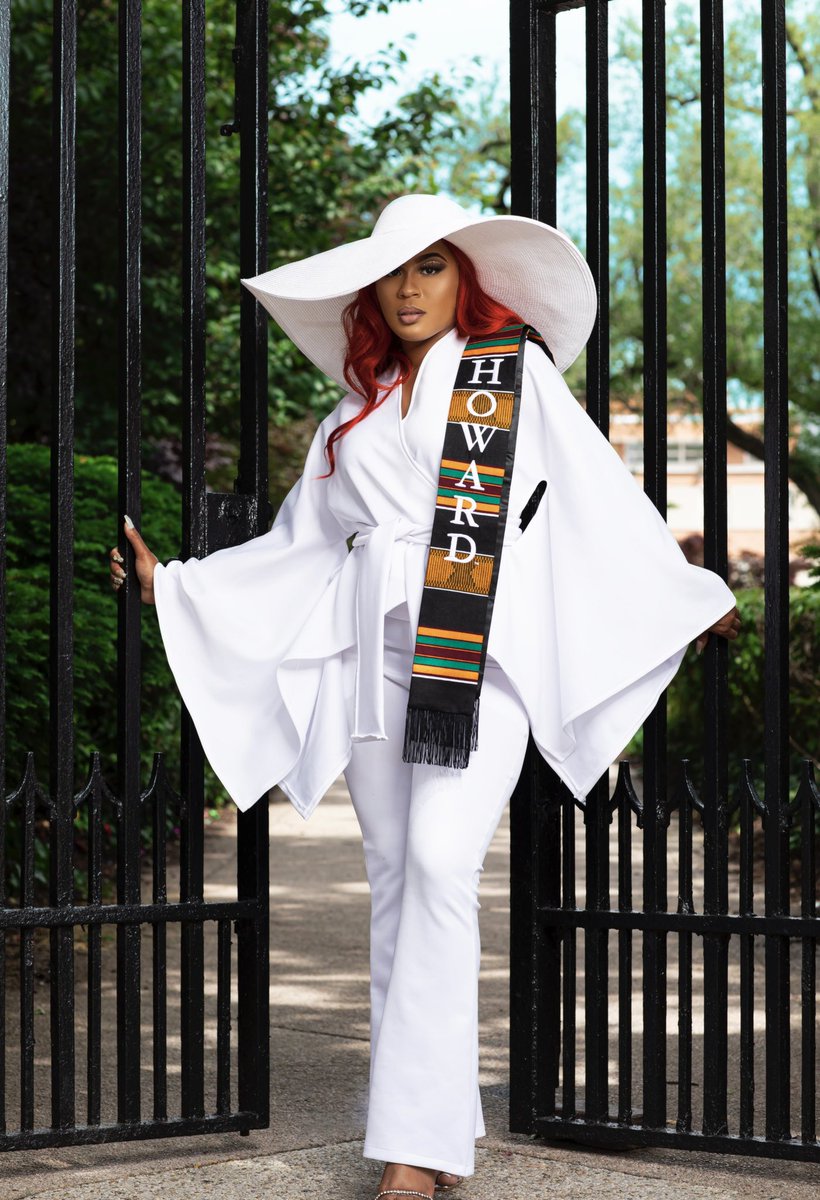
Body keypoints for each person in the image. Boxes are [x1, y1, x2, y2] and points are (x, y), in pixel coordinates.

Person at [108, 193, 740, 1199]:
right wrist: (173, 585)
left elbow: (593, 498)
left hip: (472, 659)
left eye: (432, 267)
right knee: (400, 888)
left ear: (466, 282)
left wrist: (680, 595)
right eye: (395, 273)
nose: (409, 288)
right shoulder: (349, 414)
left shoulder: (508, 379)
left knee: (444, 870)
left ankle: (413, 1151)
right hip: (373, 662)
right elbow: (296, 546)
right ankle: (429, 1135)